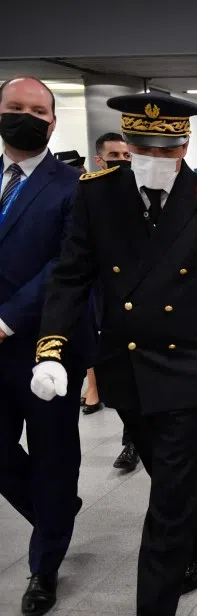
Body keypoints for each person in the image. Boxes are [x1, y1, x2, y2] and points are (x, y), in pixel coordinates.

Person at [30, 92, 197, 616]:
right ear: (127, 144)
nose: (153, 158)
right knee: (167, 473)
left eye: (165, 149)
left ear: (184, 146)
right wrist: (51, 347)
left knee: (167, 502)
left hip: (192, 365)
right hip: (127, 365)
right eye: (141, 147)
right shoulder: (97, 193)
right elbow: (71, 275)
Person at [0, 75, 88, 616]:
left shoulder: (75, 185)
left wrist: (7, 319)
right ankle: (55, 514)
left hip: (46, 346)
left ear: (53, 122)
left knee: (53, 453)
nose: (26, 117)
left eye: (38, 111)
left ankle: (44, 567)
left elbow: (66, 265)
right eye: (15, 107)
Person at [87, 133, 141, 471]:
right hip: (104, 295)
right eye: (114, 155)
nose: (122, 161)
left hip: (139, 298)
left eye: (126, 154)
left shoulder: (141, 194)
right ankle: (132, 438)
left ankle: (133, 442)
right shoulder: (90, 196)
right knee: (120, 376)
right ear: (100, 160)